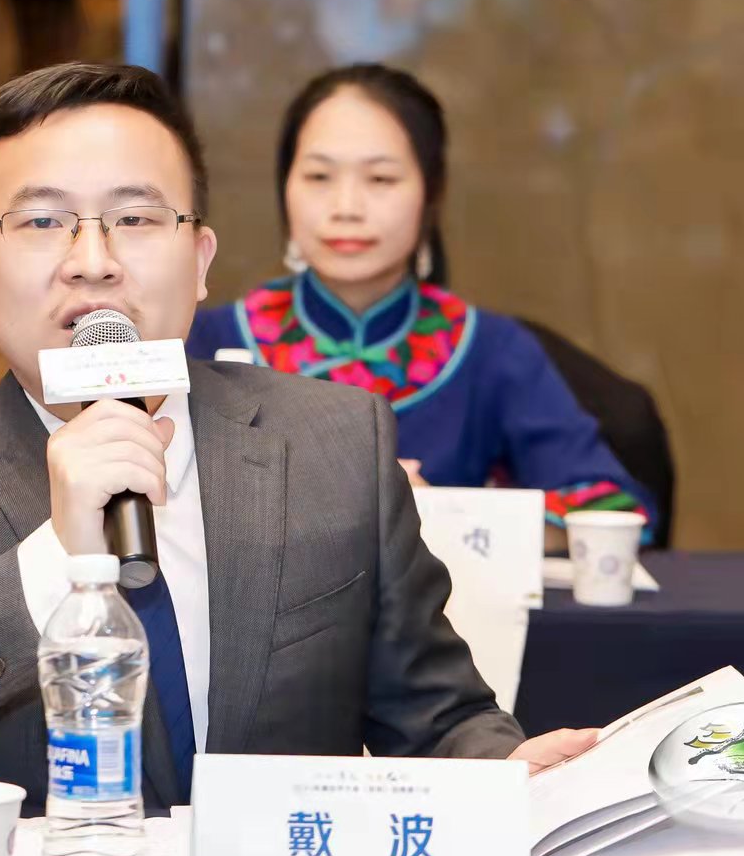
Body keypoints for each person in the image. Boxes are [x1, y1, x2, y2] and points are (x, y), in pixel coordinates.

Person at [0, 62, 594, 810]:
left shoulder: (337, 444)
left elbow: (439, 717)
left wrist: (506, 765)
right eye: (44, 221)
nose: (92, 260)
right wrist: (51, 560)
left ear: (199, 261)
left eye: (134, 217)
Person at [187, 64, 656, 542]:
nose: (346, 207)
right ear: (285, 188)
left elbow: (614, 512)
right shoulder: (201, 339)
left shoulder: (493, 351)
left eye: (380, 179)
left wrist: (444, 515)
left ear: (432, 194)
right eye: (319, 176)